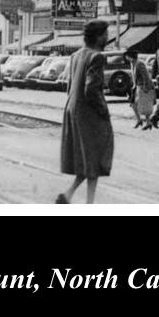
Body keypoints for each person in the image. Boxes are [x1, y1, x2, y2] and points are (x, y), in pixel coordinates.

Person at [57, 20, 115, 204]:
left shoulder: (75, 55)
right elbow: (92, 89)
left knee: (86, 158)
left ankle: (69, 195)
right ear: (98, 37)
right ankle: (88, 204)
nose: (107, 37)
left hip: (73, 110)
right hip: (89, 114)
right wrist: (104, 110)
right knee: (95, 157)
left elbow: (69, 87)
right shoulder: (97, 57)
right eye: (105, 34)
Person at [126, 48, 155, 129]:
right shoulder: (132, 64)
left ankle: (148, 122)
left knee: (143, 104)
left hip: (142, 86)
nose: (126, 58)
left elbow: (145, 76)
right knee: (133, 104)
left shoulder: (139, 63)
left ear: (130, 56)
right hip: (137, 86)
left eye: (127, 56)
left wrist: (146, 87)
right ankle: (139, 120)